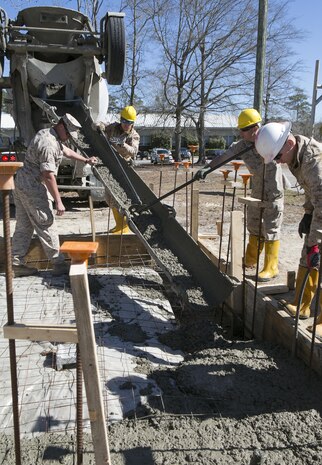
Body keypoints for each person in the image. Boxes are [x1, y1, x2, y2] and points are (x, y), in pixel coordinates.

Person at [194, 108, 284, 281]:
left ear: (255, 128)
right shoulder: (242, 146)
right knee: (254, 223)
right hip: (257, 189)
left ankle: (271, 267)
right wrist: (207, 168)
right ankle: (250, 259)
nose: (240, 134)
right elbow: (224, 157)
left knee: (271, 226)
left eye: (243, 130)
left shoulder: (271, 140)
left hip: (274, 191)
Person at [255, 122, 322, 330]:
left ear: (289, 143)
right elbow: (313, 192)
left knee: (316, 253)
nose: (277, 161)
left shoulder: (313, 160)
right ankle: (302, 305)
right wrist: (308, 214)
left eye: (277, 156)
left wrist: (316, 240)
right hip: (319, 207)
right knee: (308, 255)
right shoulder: (296, 157)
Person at [12, 114, 97, 277]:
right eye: (68, 134)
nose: (68, 138)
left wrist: (85, 160)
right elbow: (48, 175)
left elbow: (65, 150)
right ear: (61, 126)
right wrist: (59, 201)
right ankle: (58, 264)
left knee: (24, 226)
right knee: (46, 221)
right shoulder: (48, 144)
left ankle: (16, 263)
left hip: (22, 183)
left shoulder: (49, 134)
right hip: (33, 186)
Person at [96, 105, 140, 234]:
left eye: (129, 123)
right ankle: (118, 224)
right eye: (124, 122)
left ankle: (124, 226)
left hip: (123, 167)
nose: (126, 125)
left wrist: (122, 144)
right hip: (110, 164)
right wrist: (99, 125)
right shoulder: (114, 127)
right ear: (121, 120)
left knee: (120, 197)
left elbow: (134, 151)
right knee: (109, 198)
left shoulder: (134, 135)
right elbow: (102, 126)